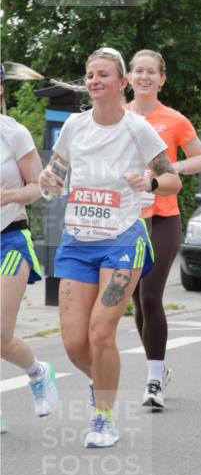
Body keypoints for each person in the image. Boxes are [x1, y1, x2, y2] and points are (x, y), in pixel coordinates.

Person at [38, 48, 181, 448]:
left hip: (122, 241)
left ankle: (104, 418)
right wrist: (50, 178)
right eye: (90, 75)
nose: (95, 80)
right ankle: (100, 383)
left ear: (122, 83)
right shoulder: (75, 127)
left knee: (101, 333)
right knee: (73, 343)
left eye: (103, 75)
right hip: (77, 243)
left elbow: (173, 181)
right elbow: (59, 173)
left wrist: (149, 183)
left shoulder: (138, 130)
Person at [126, 50, 201, 409]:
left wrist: (169, 167)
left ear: (162, 79)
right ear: (128, 77)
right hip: (126, 220)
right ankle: (158, 368)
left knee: (149, 296)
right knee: (137, 304)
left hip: (163, 218)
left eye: (151, 72)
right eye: (138, 71)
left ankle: (154, 382)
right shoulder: (118, 117)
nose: (144, 77)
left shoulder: (173, 120)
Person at [1, 64, 58, 432]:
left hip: (10, 240)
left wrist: (9, 195)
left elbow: (40, 187)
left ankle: (38, 372)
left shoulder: (14, 133)